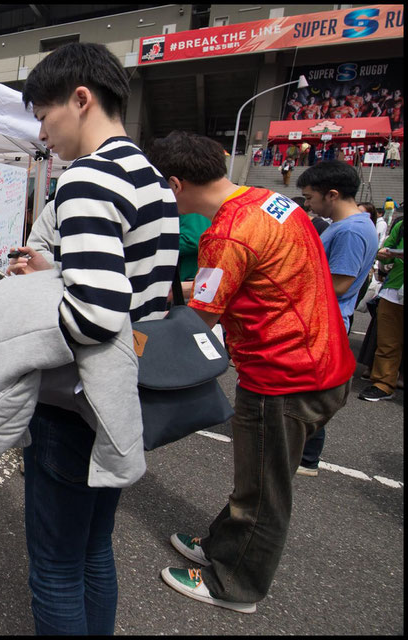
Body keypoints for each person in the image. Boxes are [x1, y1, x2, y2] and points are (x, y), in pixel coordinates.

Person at [0, 41, 178, 635]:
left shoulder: (88, 180)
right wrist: (56, 275)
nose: (43, 134)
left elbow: (96, 315)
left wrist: (21, 339)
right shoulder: (149, 175)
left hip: (76, 401)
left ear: (81, 99)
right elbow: (135, 287)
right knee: (94, 550)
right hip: (124, 394)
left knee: (54, 568)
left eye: (45, 117)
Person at [146, 131, 353, 615]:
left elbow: (200, 319)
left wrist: (136, 331)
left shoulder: (225, 234)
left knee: (263, 491)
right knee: (259, 479)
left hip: (284, 377)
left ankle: (235, 585)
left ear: (175, 184)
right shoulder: (274, 203)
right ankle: (221, 545)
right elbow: (243, 280)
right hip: (327, 361)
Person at [294, 161, 378, 475]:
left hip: (324, 322)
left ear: (332, 194)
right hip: (326, 320)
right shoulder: (354, 225)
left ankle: (306, 457)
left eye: (310, 197)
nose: (308, 204)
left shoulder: (351, 230)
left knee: (306, 398)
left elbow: (341, 281)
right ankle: (305, 455)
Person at [359, 218, 404, 401]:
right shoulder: (401, 226)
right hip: (393, 289)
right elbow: (384, 251)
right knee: (388, 341)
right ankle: (383, 384)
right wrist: (385, 254)